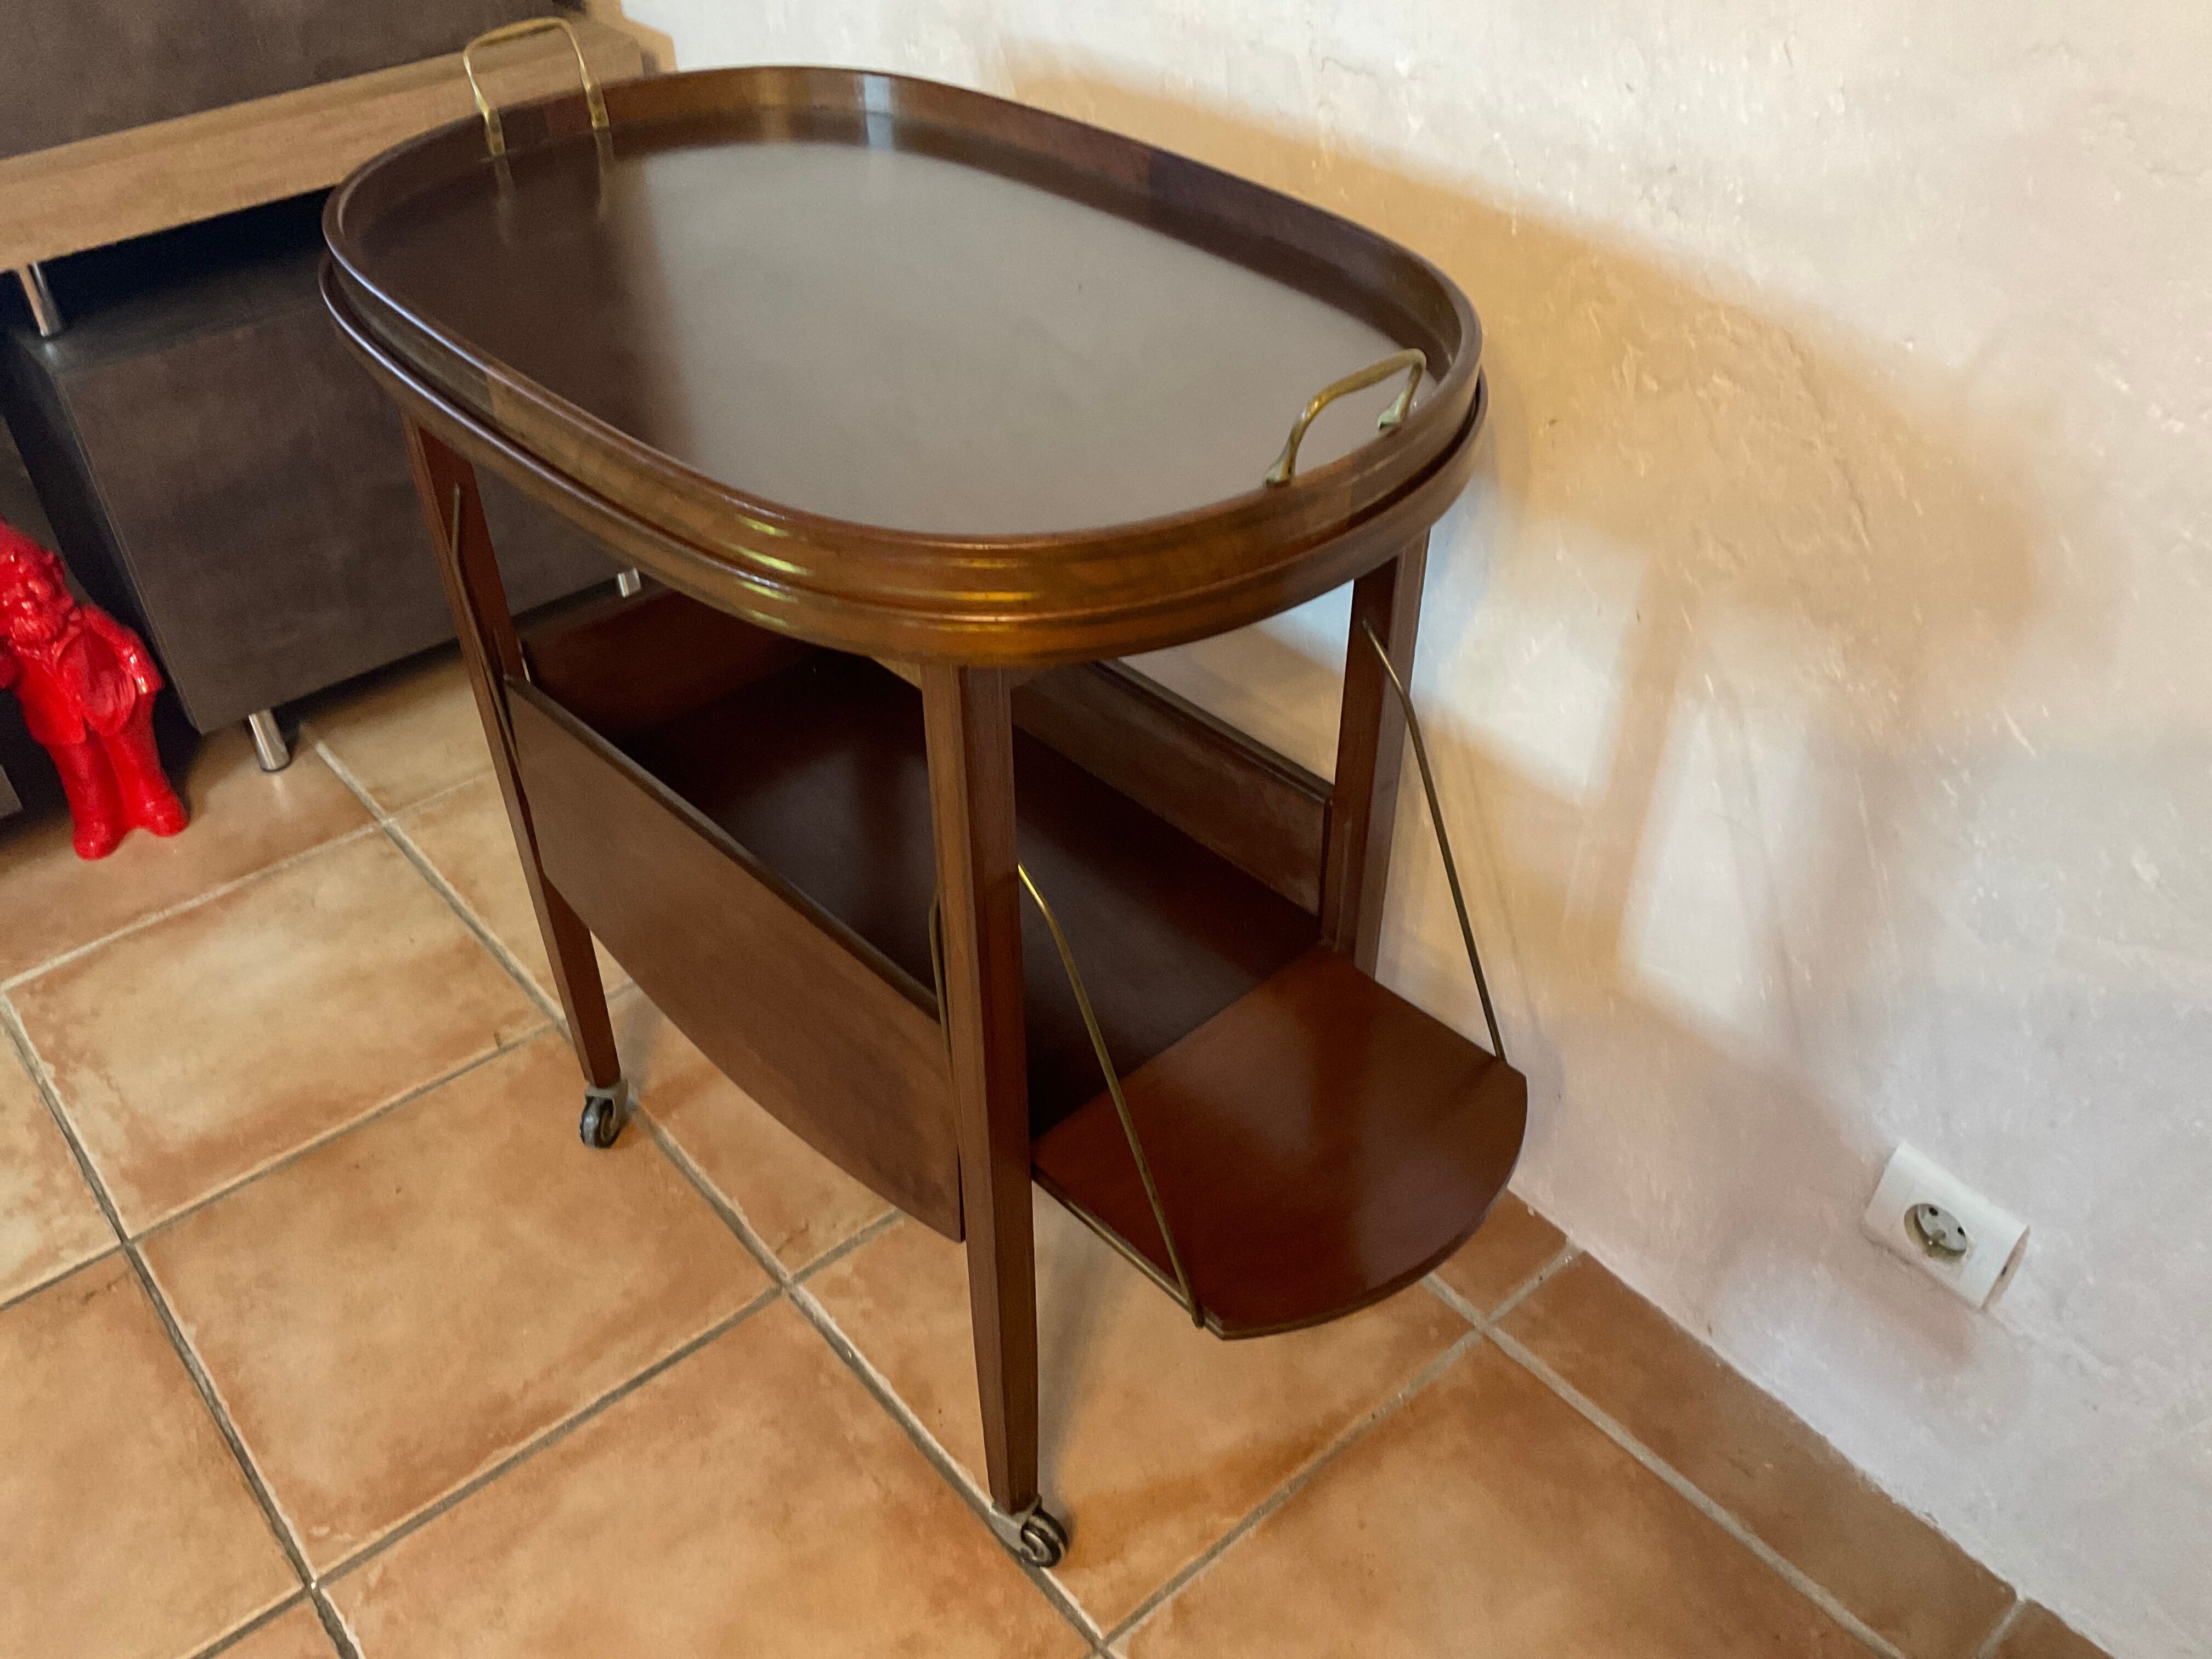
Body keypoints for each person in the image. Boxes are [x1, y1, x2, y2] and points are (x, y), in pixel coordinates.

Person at [0, 524, 187, 859]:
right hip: (60, 725)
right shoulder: (15, 656)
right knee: (83, 776)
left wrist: (146, 688)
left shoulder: (86, 619)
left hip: (116, 702)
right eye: (7, 596)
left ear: (54, 570)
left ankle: (153, 799)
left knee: (138, 759)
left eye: (31, 581)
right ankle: (97, 821)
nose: (25, 599)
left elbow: (126, 645)